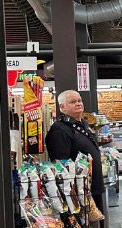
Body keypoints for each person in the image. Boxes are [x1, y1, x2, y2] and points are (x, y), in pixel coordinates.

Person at [45, 90, 105, 224]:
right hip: (80, 197)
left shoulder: (80, 124)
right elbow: (61, 166)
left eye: (79, 100)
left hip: (92, 190)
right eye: (72, 102)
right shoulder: (59, 130)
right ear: (62, 107)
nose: (78, 104)